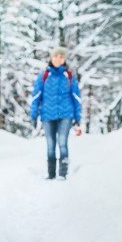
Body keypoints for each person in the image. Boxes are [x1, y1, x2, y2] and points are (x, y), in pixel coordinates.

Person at [30, 46, 83, 180]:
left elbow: (76, 97)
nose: (58, 59)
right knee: (50, 145)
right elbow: (36, 96)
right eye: (56, 56)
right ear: (51, 58)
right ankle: (51, 173)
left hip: (66, 115)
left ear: (64, 59)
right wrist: (34, 115)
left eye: (61, 56)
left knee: (62, 142)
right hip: (47, 115)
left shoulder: (69, 76)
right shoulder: (44, 76)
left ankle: (63, 173)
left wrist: (78, 118)